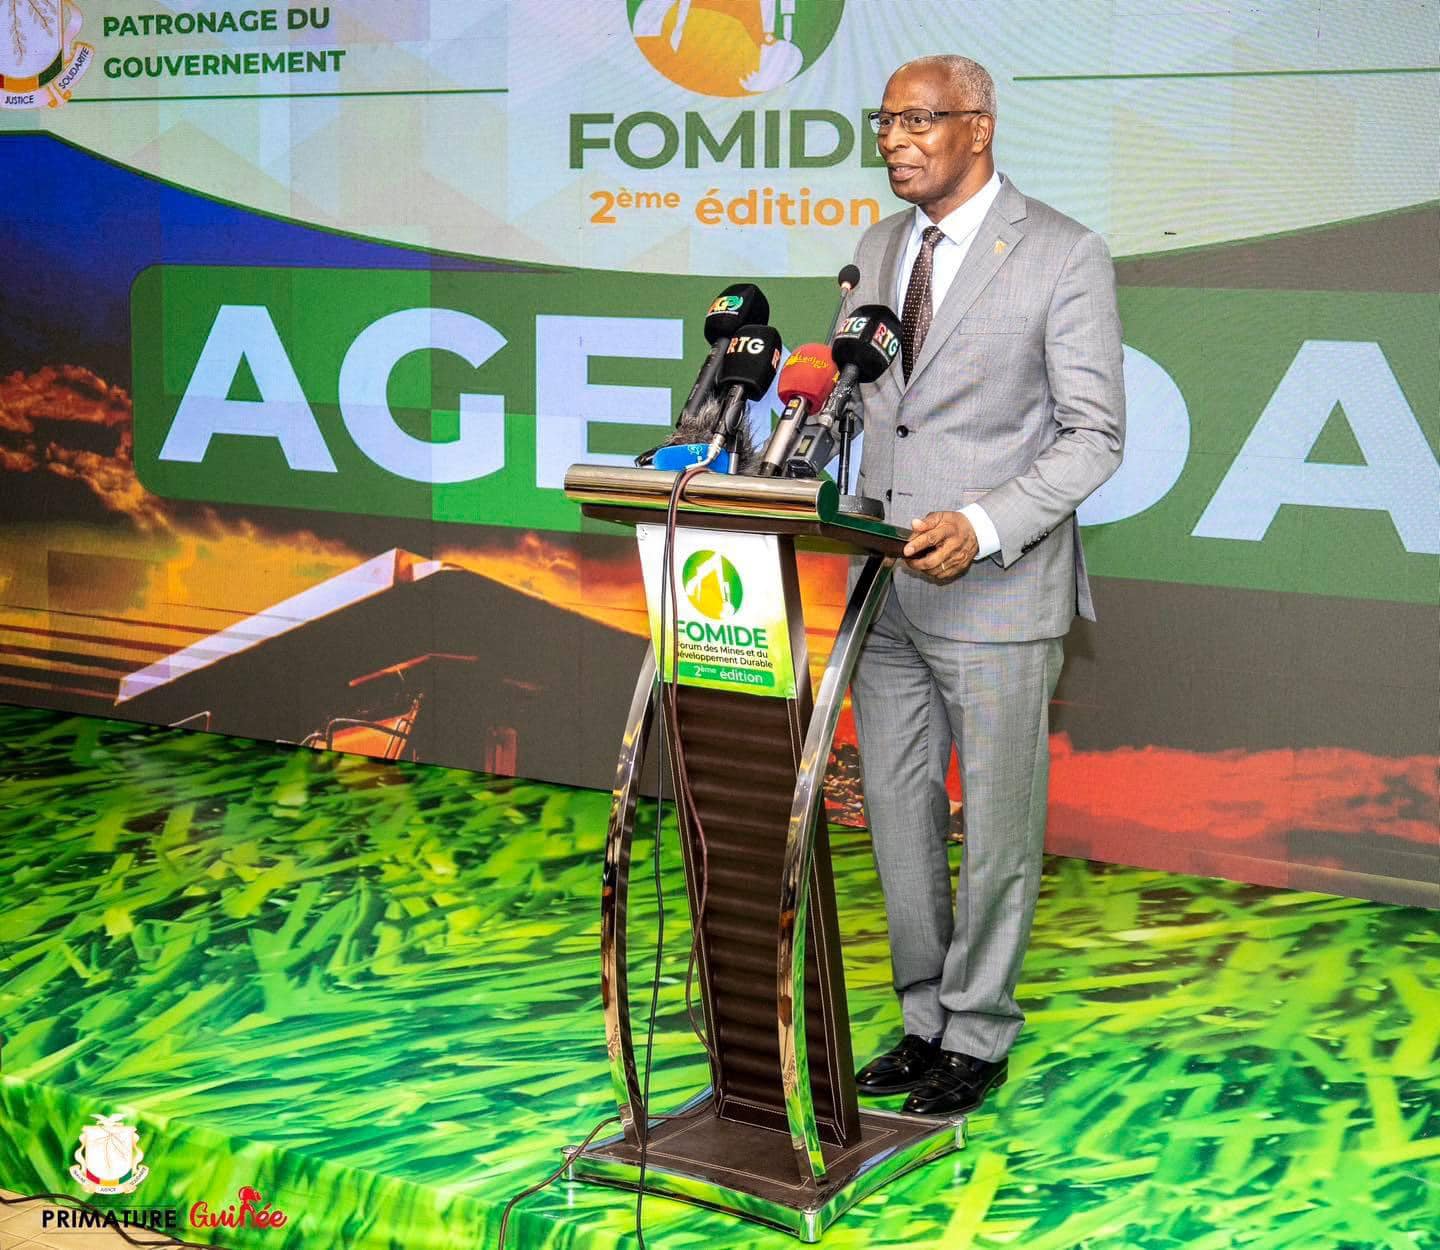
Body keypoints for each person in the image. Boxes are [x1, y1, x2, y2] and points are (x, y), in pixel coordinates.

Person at [844, 55, 1125, 1116]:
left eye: (918, 120)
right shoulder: (877, 247)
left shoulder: (1062, 251)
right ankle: (924, 1019)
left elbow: (1094, 435)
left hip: (996, 586)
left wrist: (984, 523)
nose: (895, 140)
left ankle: (979, 1031)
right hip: (884, 584)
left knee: (997, 826)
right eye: (885, 122)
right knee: (894, 812)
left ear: (979, 126)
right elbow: (876, 409)